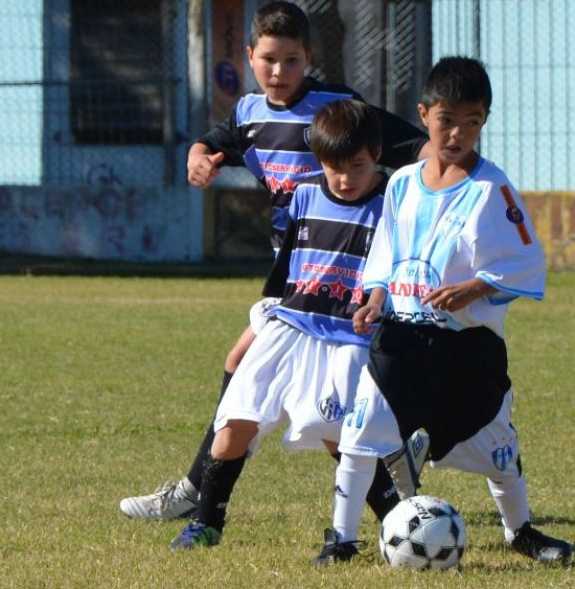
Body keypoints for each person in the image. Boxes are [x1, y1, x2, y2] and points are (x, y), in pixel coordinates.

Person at [120, 0, 429, 522]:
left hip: (343, 275)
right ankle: (397, 458)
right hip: (293, 274)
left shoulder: (337, 105)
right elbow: (212, 144)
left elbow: (411, 147)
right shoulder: (249, 114)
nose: (278, 71)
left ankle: (198, 492)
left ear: (307, 57)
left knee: (318, 404)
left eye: (290, 59)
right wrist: (198, 159)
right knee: (260, 375)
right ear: (250, 56)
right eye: (268, 59)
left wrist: (446, 184)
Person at [315, 57, 572, 565]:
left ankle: (520, 532)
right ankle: (341, 541)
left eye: (472, 121)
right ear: (424, 114)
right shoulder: (403, 183)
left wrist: (473, 288)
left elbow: (527, 261)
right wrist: (374, 297)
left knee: (499, 451)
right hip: (401, 339)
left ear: (484, 121)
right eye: (446, 119)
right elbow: (385, 252)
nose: (458, 133)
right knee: (359, 433)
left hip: (465, 347)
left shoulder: (491, 190)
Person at [170, 99, 403, 548]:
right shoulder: (306, 193)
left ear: (376, 154)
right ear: (319, 160)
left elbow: (397, 268)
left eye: (357, 166)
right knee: (233, 424)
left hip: (345, 338)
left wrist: (380, 306)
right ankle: (207, 523)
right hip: (289, 326)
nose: (345, 178)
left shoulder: (391, 202)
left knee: (340, 438)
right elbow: (287, 269)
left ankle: (399, 520)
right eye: (335, 166)